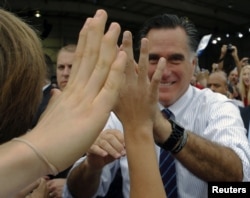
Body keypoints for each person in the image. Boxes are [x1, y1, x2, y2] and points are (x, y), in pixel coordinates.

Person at [64, 13, 250, 198]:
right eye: (153, 59)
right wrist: (92, 167)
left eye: (175, 59)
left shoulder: (217, 106)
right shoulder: (121, 113)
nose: (164, 71)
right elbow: (75, 193)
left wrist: (166, 131)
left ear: (193, 64)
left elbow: (240, 180)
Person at [0, 8, 128, 197]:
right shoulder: (45, 107)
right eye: (61, 67)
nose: (66, 73)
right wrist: (31, 158)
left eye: (72, 66)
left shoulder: (106, 113)